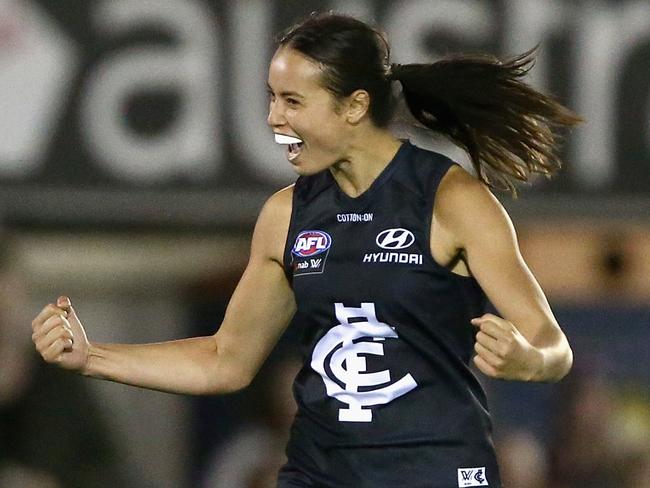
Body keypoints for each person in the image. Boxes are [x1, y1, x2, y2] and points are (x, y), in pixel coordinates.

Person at [31, 12, 578, 488]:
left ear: (354, 106)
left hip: (437, 471)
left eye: (293, 101)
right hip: (321, 472)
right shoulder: (285, 215)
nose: (274, 119)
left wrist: (528, 360)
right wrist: (92, 357)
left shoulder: (451, 199)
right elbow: (226, 360)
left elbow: (554, 347)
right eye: (272, 97)